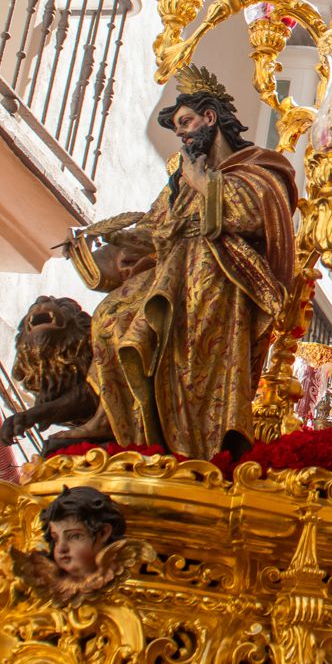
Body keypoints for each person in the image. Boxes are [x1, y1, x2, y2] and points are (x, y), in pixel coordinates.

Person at [75, 65, 298, 458]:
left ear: (210, 118)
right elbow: (156, 226)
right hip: (172, 269)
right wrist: (109, 240)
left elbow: (252, 215)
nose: (180, 133)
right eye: (178, 126)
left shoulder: (257, 169)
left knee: (193, 361)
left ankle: (193, 448)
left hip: (218, 274)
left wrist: (207, 186)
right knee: (111, 316)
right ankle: (117, 422)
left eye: (185, 122)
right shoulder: (181, 177)